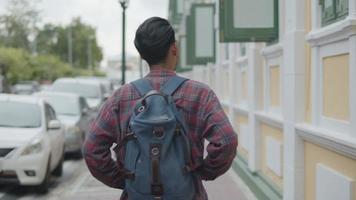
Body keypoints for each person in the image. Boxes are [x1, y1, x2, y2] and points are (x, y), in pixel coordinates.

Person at [83, 17, 238, 200]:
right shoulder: (200, 94)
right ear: (174, 48)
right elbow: (226, 140)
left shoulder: (121, 97)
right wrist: (200, 173)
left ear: (142, 56)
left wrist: (126, 179)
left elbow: (92, 149)